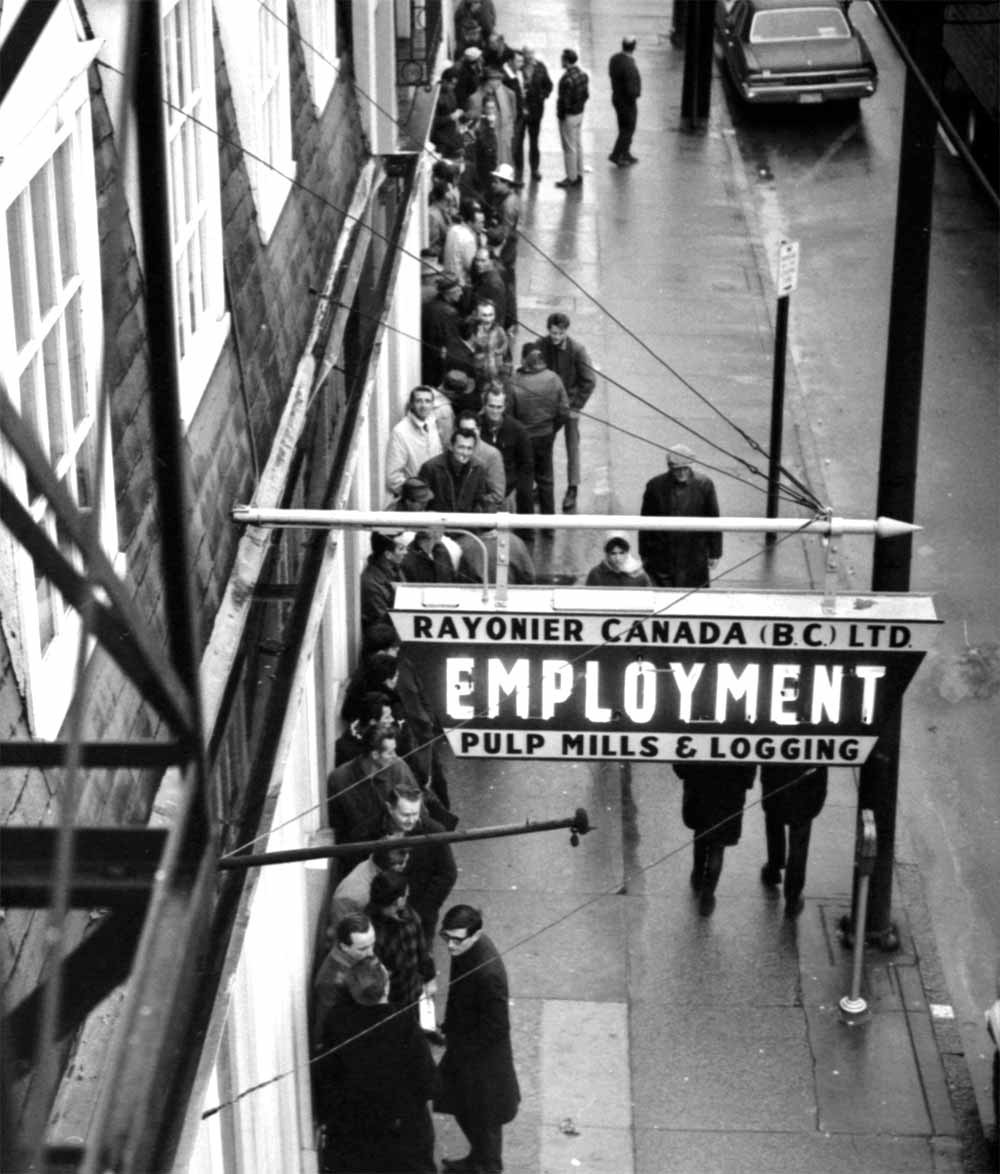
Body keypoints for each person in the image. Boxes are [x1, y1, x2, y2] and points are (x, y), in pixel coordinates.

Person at [315, 956, 437, 1174]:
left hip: (354, 1136)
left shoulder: (337, 1021)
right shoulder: (404, 1023)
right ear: (386, 986)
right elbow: (428, 1082)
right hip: (402, 1135)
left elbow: (327, 1080)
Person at [435, 904, 520, 1174]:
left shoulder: (488, 973)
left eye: (456, 939)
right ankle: (478, 1161)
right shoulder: (465, 948)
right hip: (467, 1049)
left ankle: (486, 1166)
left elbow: (497, 1026)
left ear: (476, 934)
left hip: (482, 1061)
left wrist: (462, 1050)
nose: (450, 946)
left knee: (483, 1119)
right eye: (446, 937)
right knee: (468, 1110)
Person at [357, 780, 458, 944]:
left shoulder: (434, 831)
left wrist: (420, 912)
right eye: (405, 815)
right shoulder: (371, 830)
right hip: (380, 916)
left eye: (415, 814)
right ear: (390, 808)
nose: (411, 820)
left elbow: (448, 874)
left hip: (420, 914)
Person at [673, 762, 756, 915]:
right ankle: (708, 894)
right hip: (730, 791)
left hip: (700, 785)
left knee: (701, 832)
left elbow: (681, 762)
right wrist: (746, 781)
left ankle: (697, 874)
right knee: (718, 845)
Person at [639, 443, 722, 587]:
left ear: (691, 466)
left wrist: (715, 551)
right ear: (670, 468)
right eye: (677, 469)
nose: (682, 473)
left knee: (693, 597)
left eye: (685, 468)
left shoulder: (704, 485)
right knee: (662, 597)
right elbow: (645, 523)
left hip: (693, 552)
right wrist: (644, 553)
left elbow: (713, 518)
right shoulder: (654, 486)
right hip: (662, 554)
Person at [508, 340, 570, 521]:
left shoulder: (515, 381)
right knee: (546, 480)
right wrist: (552, 428)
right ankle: (548, 523)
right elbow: (564, 410)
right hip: (546, 435)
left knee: (525, 481)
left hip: (524, 438)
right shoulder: (553, 378)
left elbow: (509, 414)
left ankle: (526, 527)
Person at [540, 312, 595, 513]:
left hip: (570, 406)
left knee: (572, 447)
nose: (555, 337)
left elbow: (589, 380)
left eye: (559, 333)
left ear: (565, 331)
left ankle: (573, 488)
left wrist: (576, 405)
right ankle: (543, 483)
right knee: (544, 444)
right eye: (553, 333)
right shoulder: (542, 345)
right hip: (550, 406)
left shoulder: (577, 350)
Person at [326, 724, 412, 851]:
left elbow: (417, 807)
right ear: (375, 755)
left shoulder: (399, 768)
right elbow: (339, 827)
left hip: (398, 844)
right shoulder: (338, 779)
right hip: (359, 851)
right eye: (390, 753)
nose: (395, 756)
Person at [760, 764, 829, 918]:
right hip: (807, 782)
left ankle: (774, 866)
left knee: (773, 819)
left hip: (775, 777)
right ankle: (792, 898)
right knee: (799, 840)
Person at [367, 871, 437, 1014]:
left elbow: (422, 950)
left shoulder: (408, 914)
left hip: (412, 993)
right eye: (406, 893)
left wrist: (430, 978)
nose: (408, 895)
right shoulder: (372, 934)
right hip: (390, 1005)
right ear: (398, 900)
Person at [311, 912, 376, 1051]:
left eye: (373, 944)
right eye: (363, 949)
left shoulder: (359, 958)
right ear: (344, 947)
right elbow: (324, 1028)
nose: (371, 953)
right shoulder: (330, 981)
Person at [478, 383, 534, 515]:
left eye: (499, 407)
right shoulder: (476, 427)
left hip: (508, 492)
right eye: (491, 406)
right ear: (484, 405)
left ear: (505, 407)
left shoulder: (518, 430)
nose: (495, 411)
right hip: (482, 492)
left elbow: (526, 465)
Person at [330, 840, 412, 929]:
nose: (404, 866)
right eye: (401, 863)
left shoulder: (377, 867)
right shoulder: (352, 895)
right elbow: (342, 933)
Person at [417, 428, 494, 514]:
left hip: (467, 524)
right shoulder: (431, 467)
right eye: (461, 447)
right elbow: (421, 503)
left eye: (469, 448)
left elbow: (480, 500)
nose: (465, 453)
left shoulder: (478, 468)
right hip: (437, 523)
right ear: (451, 446)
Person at [386, 386, 445, 497]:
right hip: (416, 500)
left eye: (427, 401)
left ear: (432, 405)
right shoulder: (400, 431)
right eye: (419, 401)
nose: (423, 406)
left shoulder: (433, 424)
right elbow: (393, 477)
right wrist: (415, 495)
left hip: (437, 494)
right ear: (412, 404)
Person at [486, 163, 521, 328]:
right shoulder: (504, 198)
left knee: (506, 284)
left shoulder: (508, 204)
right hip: (507, 248)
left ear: (506, 183)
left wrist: (497, 253)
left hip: (506, 251)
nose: (493, 184)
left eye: (496, 181)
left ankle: (510, 320)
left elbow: (505, 232)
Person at [360, 529, 411, 631]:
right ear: (388, 554)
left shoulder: (396, 569)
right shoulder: (371, 584)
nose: (406, 552)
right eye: (401, 549)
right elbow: (383, 623)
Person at [455, 409, 506, 509]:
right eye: (464, 430)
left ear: (479, 430)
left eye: (472, 430)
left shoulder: (491, 455)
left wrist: (472, 504)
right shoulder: (451, 450)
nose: (468, 434)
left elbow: (497, 495)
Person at [423, 272, 465, 389]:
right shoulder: (449, 312)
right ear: (450, 293)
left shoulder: (429, 306)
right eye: (459, 290)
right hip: (438, 363)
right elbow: (451, 342)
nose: (461, 293)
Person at [555, 48, 589, 189]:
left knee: (569, 147)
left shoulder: (566, 79)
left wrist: (562, 114)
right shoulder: (583, 75)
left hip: (569, 116)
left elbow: (565, 101)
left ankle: (571, 177)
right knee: (578, 144)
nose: (561, 61)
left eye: (562, 59)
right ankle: (579, 173)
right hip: (579, 113)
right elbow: (586, 95)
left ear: (567, 61)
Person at [457, 527, 536, 585]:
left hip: (475, 600)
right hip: (511, 598)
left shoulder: (462, 545)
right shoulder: (516, 542)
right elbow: (529, 577)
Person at [521, 45, 554, 182]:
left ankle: (535, 169)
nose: (529, 56)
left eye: (531, 53)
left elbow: (549, 85)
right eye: (526, 54)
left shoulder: (540, 67)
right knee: (518, 142)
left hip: (536, 110)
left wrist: (542, 95)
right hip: (521, 110)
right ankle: (519, 170)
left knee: (534, 141)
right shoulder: (518, 67)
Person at [608, 35, 642, 166]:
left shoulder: (615, 59)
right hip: (627, 101)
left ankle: (625, 153)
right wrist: (636, 94)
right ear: (634, 47)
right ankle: (616, 155)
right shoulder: (629, 65)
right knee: (628, 129)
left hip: (617, 97)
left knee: (623, 126)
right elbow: (632, 88)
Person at [443, 197, 486, 292]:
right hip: (460, 284)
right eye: (480, 223)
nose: (483, 226)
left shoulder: (453, 229)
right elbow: (471, 266)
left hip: (447, 277)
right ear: (470, 222)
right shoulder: (469, 239)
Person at [585, 532, 652, 587]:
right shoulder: (596, 574)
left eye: (621, 553)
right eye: (613, 553)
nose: (617, 558)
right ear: (607, 554)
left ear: (627, 553)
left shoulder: (639, 575)